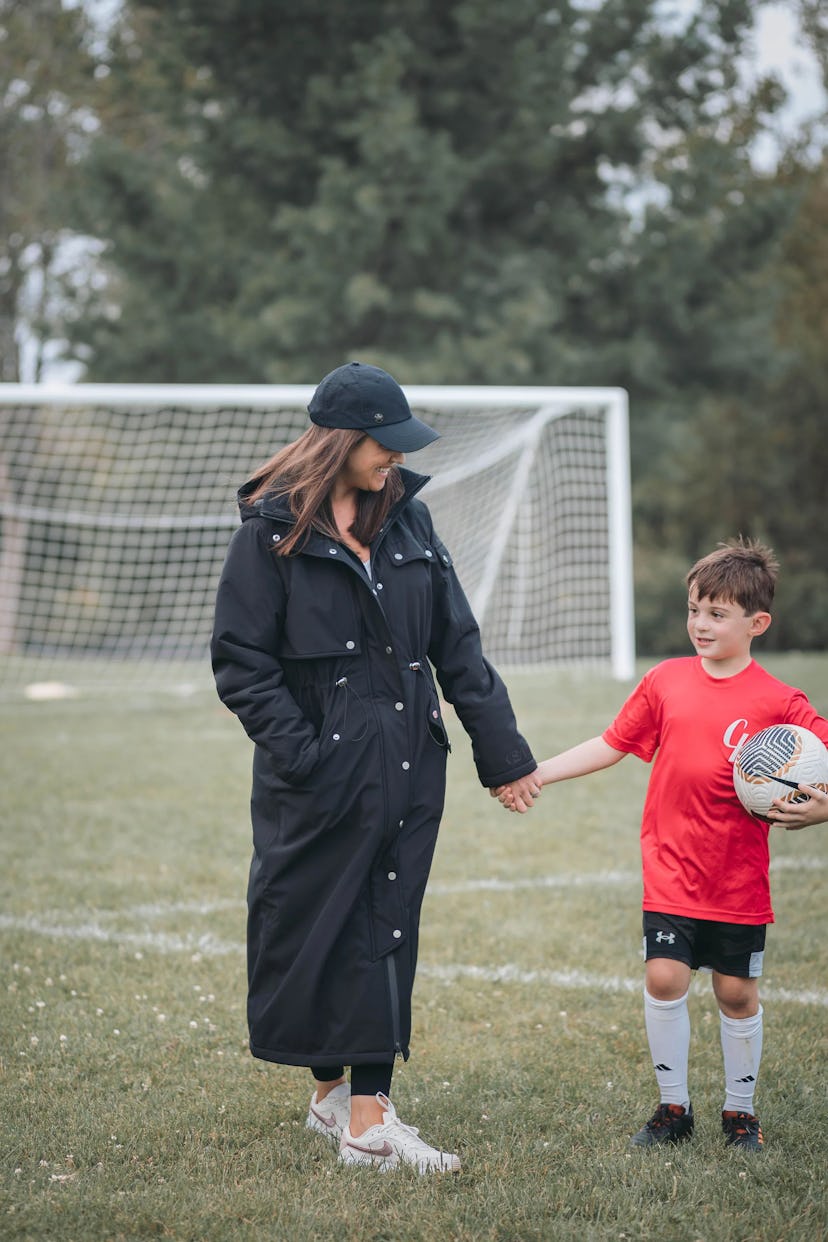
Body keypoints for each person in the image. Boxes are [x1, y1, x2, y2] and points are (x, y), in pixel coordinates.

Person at [211, 360, 540, 1173]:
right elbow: (240, 663)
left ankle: (368, 1120)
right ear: (342, 441)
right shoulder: (269, 534)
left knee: (384, 923)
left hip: (406, 761)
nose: (395, 457)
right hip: (315, 773)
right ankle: (330, 1097)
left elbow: (456, 644)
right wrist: (307, 753)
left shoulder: (411, 524)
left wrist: (502, 755)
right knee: (306, 926)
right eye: (382, 445)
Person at [497, 537, 828, 1151]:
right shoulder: (666, 680)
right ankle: (673, 1109)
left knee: (736, 992)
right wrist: (538, 770)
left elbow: (824, 759)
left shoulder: (780, 702)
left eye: (717, 614)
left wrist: (825, 806)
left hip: (737, 877)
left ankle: (740, 1113)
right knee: (665, 978)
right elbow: (612, 743)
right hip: (671, 867)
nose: (700, 624)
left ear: (758, 623)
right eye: (695, 609)